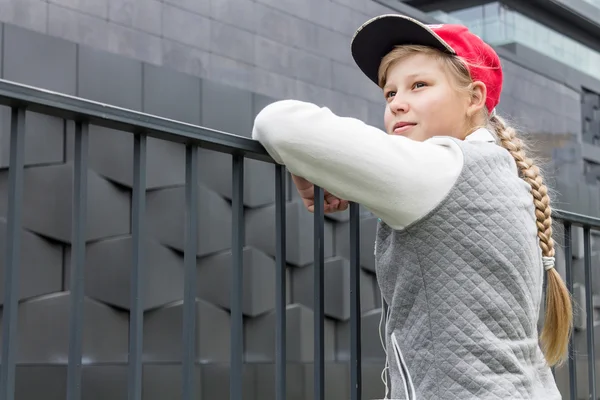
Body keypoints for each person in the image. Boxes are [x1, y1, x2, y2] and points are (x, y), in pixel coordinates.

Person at [252, 14, 571, 400]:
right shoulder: (504, 177)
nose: (398, 103)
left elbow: (276, 122)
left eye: (419, 85)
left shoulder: (441, 169)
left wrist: (304, 163)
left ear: (473, 98)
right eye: (390, 93)